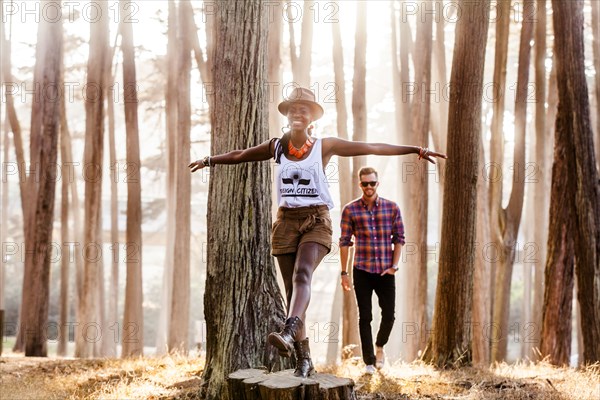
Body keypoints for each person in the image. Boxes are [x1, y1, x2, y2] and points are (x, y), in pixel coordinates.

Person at [189, 87, 446, 378]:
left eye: (304, 110)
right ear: (286, 116)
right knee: (294, 294)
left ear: (312, 118)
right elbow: (241, 155)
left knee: (302, 276)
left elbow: (371, 146)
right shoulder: (276, 147)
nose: (298, 113)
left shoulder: (325, 146)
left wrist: (415, 150)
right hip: (285, 223)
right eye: (293, 109)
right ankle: (304, 359)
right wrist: (210, 160)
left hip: (316, 221)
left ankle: (287, 333)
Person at [339, 167, 404, 375]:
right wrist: (344, 272)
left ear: (378, 183)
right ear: (360, 185)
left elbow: (399, 239)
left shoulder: (392, 208)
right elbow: (344, 243)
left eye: (372, 183)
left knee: (389, 316)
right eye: (365, 183)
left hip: (386, 271)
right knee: (365, 316)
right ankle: (368, 361)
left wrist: (394, 266)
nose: (368, 187)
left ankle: (380, 346)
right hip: (362, 271)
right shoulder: (350, 210)